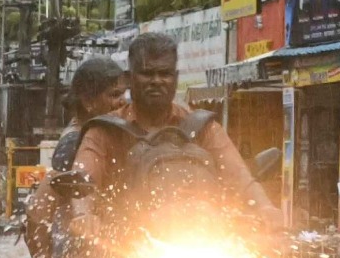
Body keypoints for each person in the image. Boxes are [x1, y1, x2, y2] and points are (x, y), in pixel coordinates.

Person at [67, 32, 280, 232]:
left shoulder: (201, 127)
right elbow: (84, 177)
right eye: (147, 73)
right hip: (122, 246)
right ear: (129, 78)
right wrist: (83, 213)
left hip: (199, 241)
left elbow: (239, 175)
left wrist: (264, 208)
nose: (156, 81)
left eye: (165, 73)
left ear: (176, 78)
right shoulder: (105, 130)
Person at [24, 56, 128, 258]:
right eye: (113, 95)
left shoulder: (111, 132)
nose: (122, 102)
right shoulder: (74, 145)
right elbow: (37, 213)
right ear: (89, 102)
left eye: (124, 94)